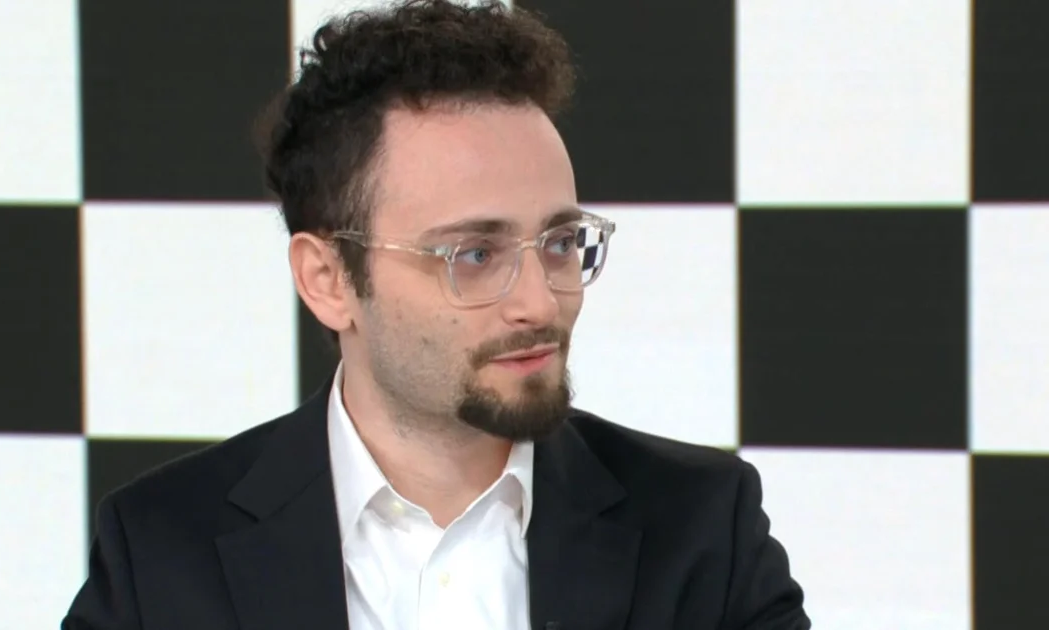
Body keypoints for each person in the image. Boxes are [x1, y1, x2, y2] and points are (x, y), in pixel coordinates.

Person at [62, 1, 810, 628]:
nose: (539, 302)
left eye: (560, 243)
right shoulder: (161, 552)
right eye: (473, 255)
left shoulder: (703, 531)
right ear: (327, 279)